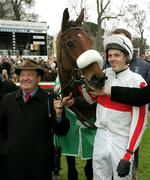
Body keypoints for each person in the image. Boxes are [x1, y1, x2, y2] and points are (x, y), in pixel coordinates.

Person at [88, 34, 148, 179]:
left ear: (126, 57)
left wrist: (129, 153)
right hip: (101, 136)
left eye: (117, 55)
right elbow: (91, 98)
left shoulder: (137, 81)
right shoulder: (103, 74)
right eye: (109, 55)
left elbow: (140, 122)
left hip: (122, 140)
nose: (112, 59)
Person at [0, 59, 69, 180]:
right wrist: (5, 150)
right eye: (22, 74)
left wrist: (59, 115)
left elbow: (61, 131)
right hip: (11, 165)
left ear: (38, 78)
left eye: (30, 74)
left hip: (40, 166)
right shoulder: (7, 100)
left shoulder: (51, 99)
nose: (25, 78)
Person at [53, 75, 96, 180]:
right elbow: (57, 94)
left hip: (90, 117)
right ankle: (58, 169)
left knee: (91, 157)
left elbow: (93, 98)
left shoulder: (90, 74)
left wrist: (75, 101)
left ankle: (89, 169)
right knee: (71, 164)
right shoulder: (60, 77)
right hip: (69, 116)